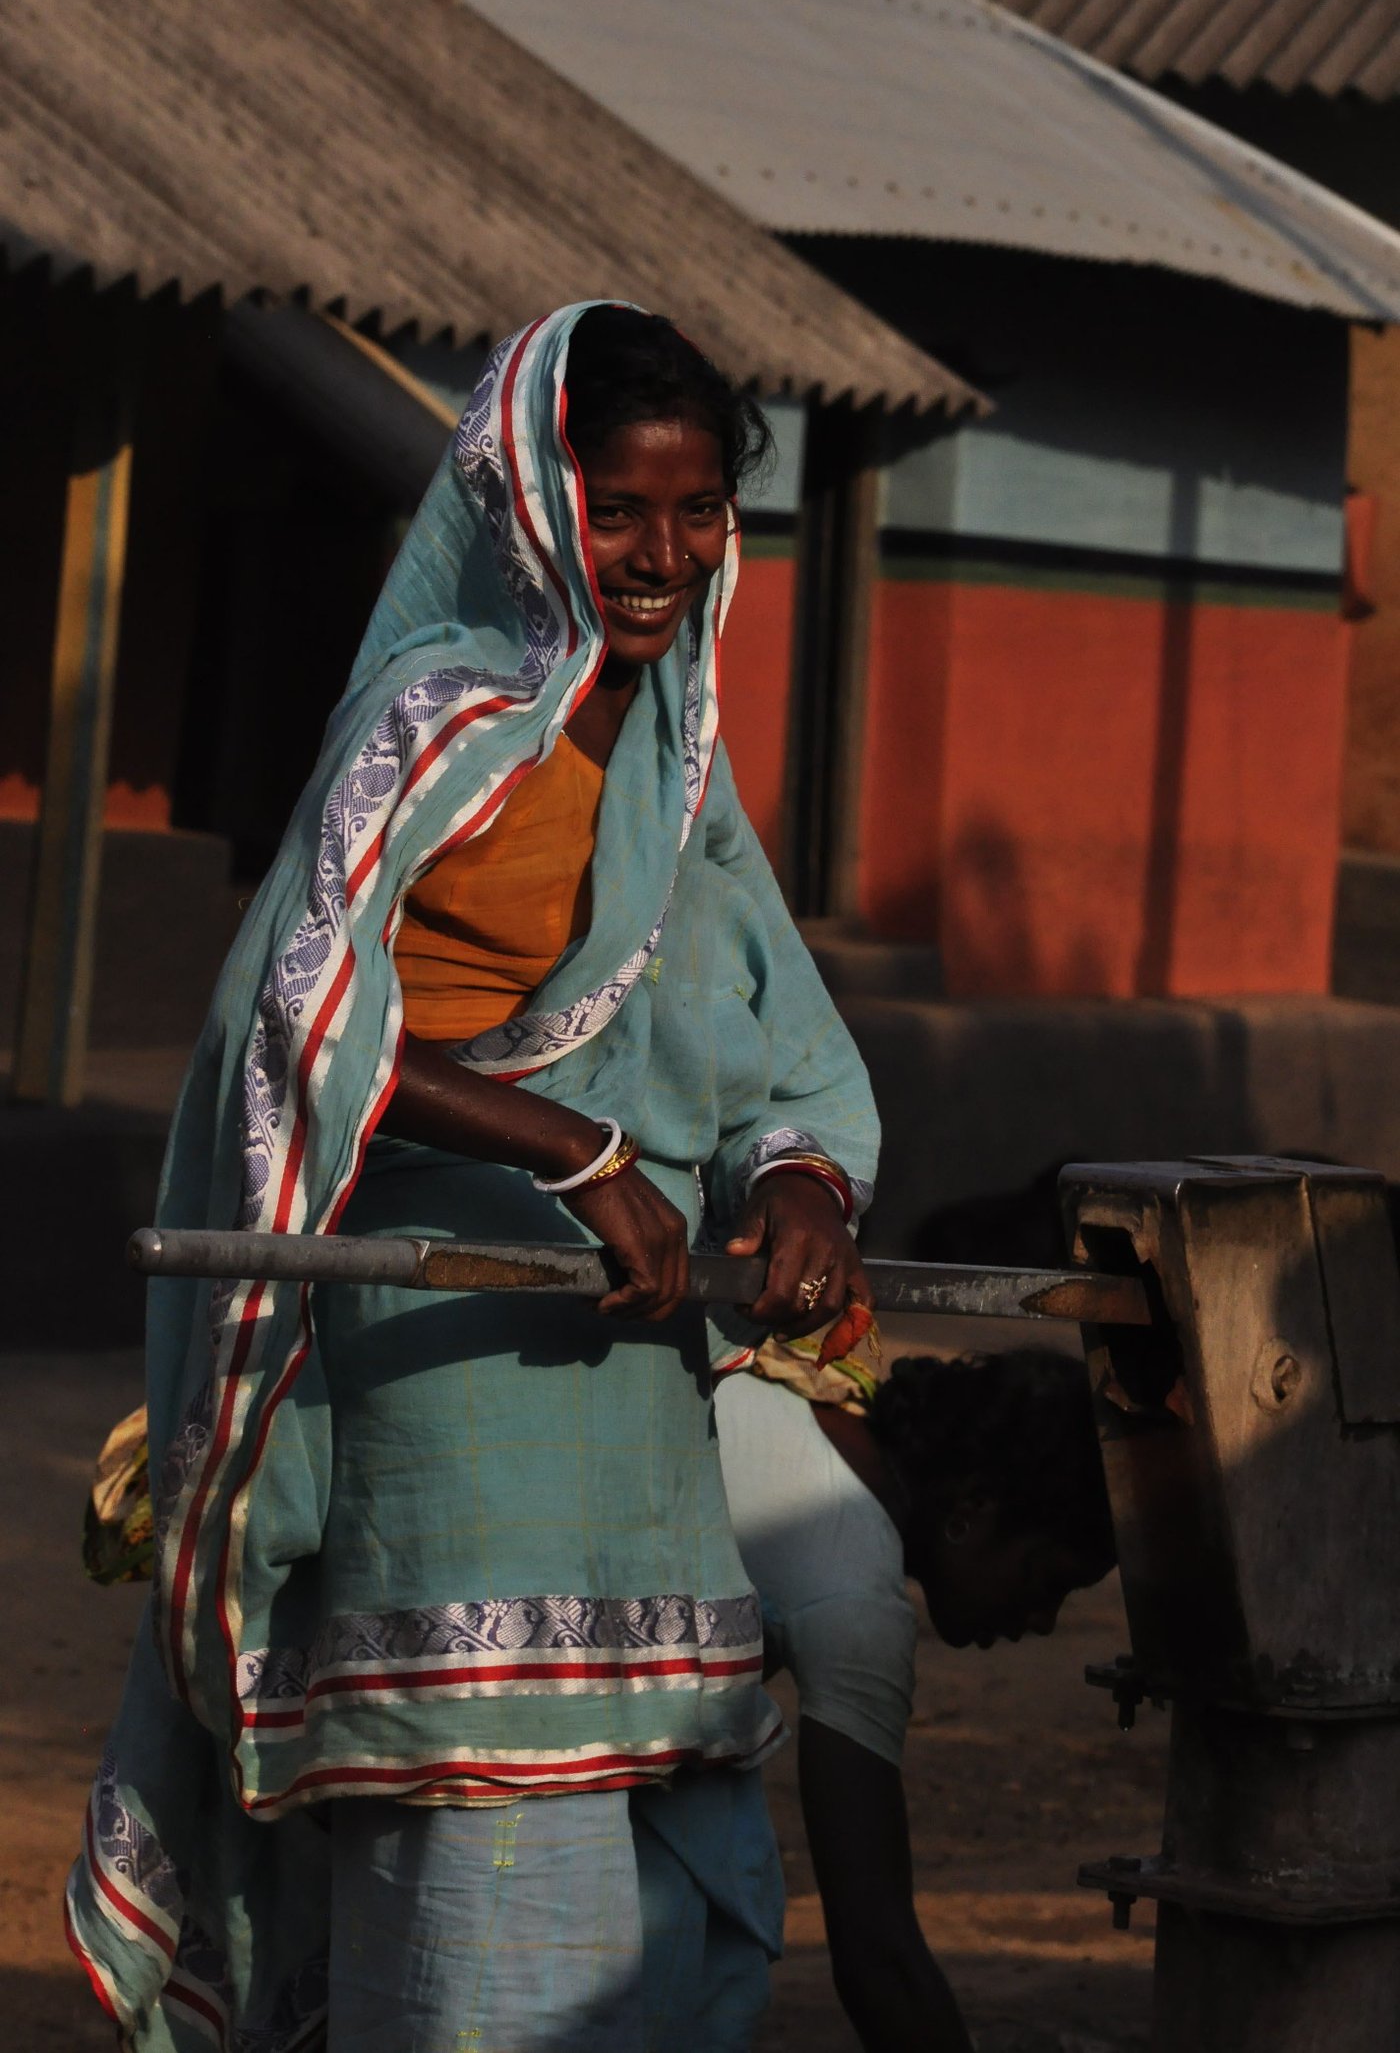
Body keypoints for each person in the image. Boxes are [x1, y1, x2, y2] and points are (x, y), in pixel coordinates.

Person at [66, 301, 880, 2052]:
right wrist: (582, 1151)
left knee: (674, 1893)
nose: (660, 556)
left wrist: (801, 1180)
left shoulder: (675, 755)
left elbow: (776, 1024)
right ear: (530, 502)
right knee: (494, 1900)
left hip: (634, 1421)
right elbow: (305, 1006)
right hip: (442, 1379)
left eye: (697, 513)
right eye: (619, 512)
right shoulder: (431, 717)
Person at [716, 1341, 1116, 2053]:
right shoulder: (857, 1599)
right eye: (1044, 1578)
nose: (1044, 1619)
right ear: (972, 1512)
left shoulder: (829, 1401)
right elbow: (879, 1958)